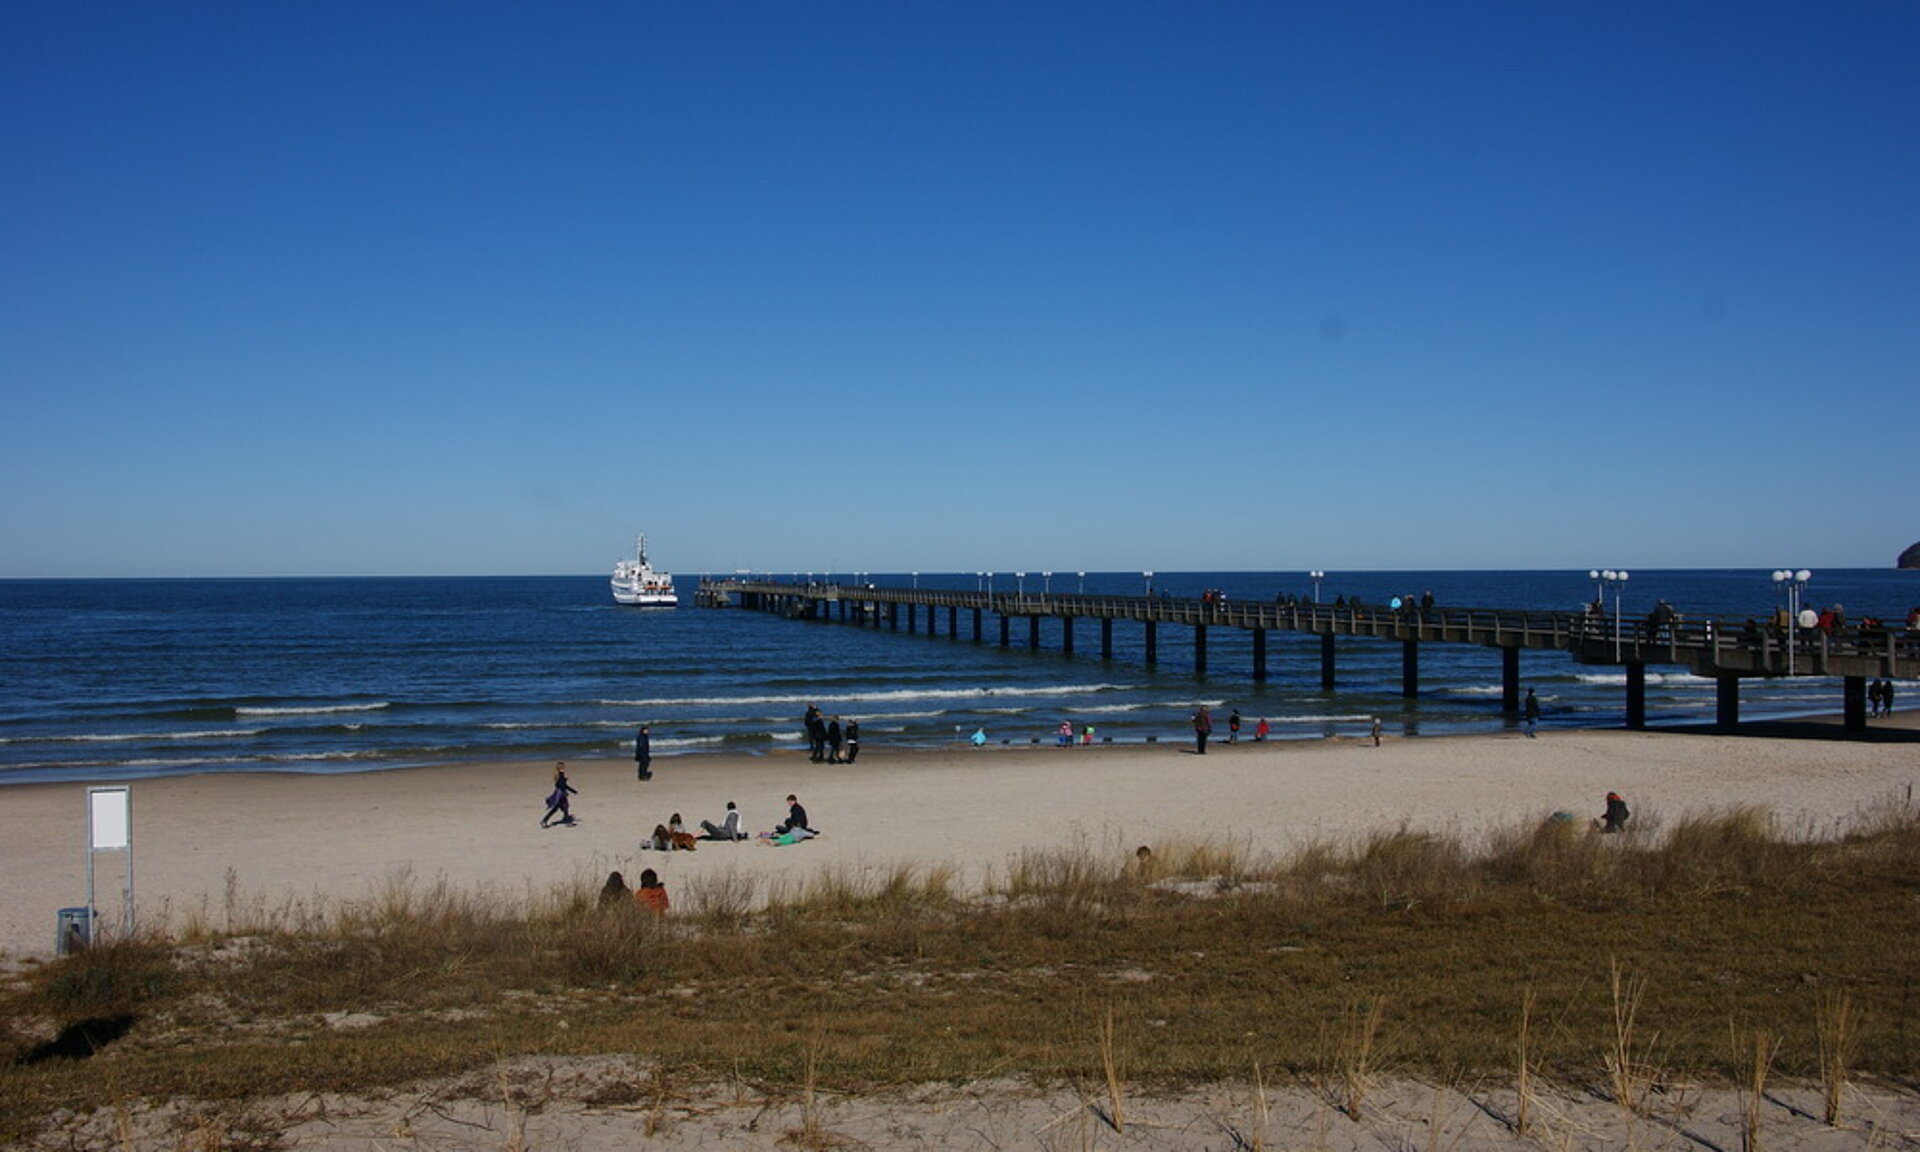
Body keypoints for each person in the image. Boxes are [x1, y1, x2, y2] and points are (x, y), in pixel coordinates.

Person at [540, 762, 578, 827]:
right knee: (557, 808)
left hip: (560, 792)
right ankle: (544, 821)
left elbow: (559, 784)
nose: (564, 768)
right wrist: (573, 791)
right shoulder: (560, 775)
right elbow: (562, 785)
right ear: (561, 768)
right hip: (560, 794)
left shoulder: (559, 774)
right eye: (563, 767)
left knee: (565, 807)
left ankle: (567, 822)